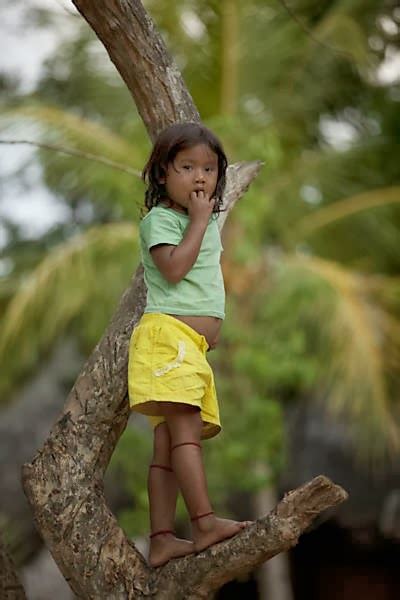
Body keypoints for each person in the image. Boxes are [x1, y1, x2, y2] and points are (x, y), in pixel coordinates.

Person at [128, 122, 251, 568]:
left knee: (166, 446)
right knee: (185, 435)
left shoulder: (204, 221)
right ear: (162, 173)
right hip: (168, 341)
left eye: (210, 169)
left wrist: (203, 220)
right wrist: (199, 221)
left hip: (189, 347)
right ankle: (202, 523)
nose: (200, 178)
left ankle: (160, 538)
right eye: (187, 167)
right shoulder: (158, 221)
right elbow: (175, 269)